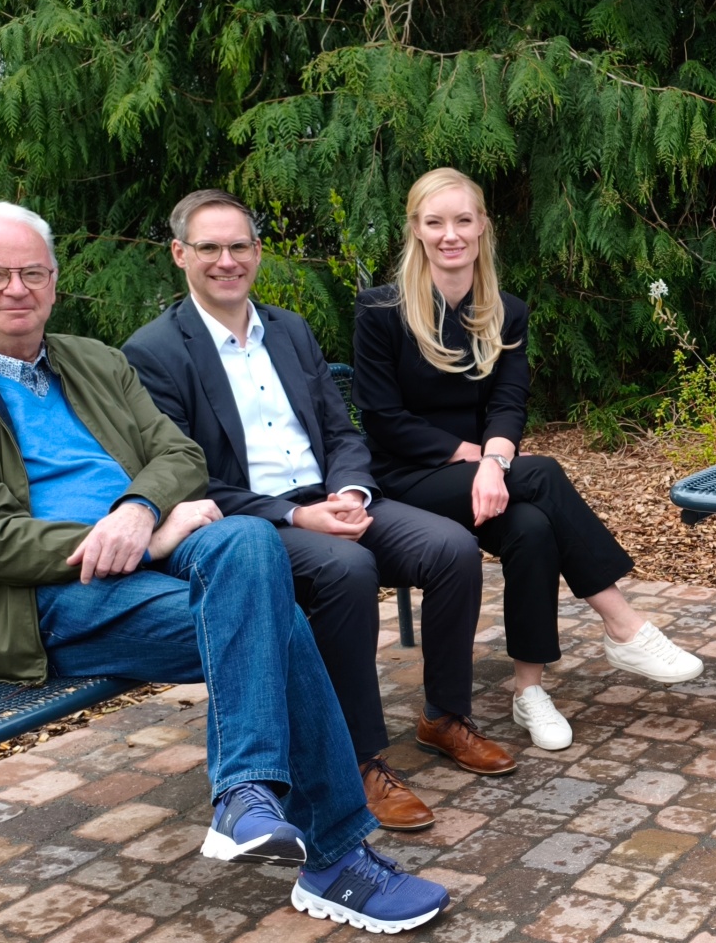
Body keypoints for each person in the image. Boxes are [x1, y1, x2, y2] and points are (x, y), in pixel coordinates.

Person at [0, 200, 445, 934]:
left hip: (156, 551)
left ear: (54, 282)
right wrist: (146, 538)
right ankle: (334, 857)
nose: (16, 288)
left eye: (32, 272)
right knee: (276, 621)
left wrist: (140, 509)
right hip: (47, 597)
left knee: (248, 541)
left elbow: (179, 455)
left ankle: (247, 797)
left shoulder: (92, 361)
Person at [125, 190, 513, 830]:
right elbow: (186, 474)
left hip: (334, 497)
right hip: (253, 522)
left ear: (256, 252)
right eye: (210, 248)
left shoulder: (289, 330)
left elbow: (342, 432)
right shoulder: (156, 351)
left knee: (450, 548)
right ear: (179, 254)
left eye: (240, 246)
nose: (227, 260)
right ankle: (356, 762)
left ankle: (445, 717)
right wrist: (294, 516)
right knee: (346, 571)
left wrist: (353, 492)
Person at [352, 167, 703, 752]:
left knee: (534, 526)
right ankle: (622, 622)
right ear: (415, 230)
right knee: (540, 473)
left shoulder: (505, 311)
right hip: (404, 479)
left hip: (485, 478)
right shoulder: (381, 311)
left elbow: (510, 401)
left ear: (483, 226)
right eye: (435, 223)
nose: (450, 235)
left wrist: (492, 463)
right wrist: (480, 460)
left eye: (463, 220)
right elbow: (381, 418)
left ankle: (528, 691)